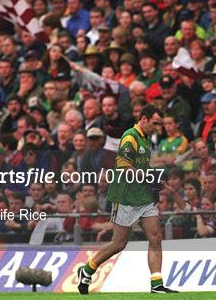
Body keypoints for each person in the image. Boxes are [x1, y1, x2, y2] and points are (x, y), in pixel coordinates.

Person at [77, 104, 177, 294]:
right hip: (125, 195)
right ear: (144, 119)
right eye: (155, 123)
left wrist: (153, 183)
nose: (158, 128)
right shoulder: (130, 136)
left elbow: (142, 167)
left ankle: (157, 285)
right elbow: (123, 166)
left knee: (155, 236)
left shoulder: (146, 138)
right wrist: (148, 178)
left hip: (143, 196)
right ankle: (88, 268)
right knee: (119, 243)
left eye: (160, 124)